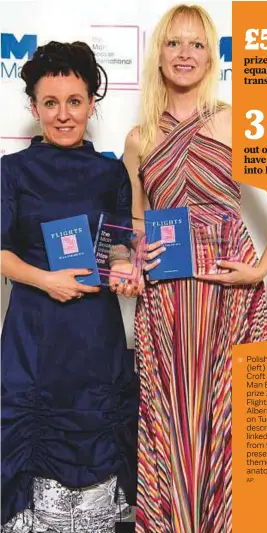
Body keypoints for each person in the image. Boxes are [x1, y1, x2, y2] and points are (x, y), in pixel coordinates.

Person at [123, 4, 267, 533]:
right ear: (158, 55)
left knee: (226, 419)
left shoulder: (237, 121)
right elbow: (133, 225)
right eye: (174, 43)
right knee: (170, 418)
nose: (185, 54)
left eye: (197, 44)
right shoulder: (139, 139)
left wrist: (259, 271)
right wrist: (137, 256)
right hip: (166, 302)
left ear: (212, 57)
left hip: (227, 297)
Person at [1, 41, 138, 533]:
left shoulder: (110, 172)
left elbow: (120, 242)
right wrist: (45, 279)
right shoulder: (10, 171)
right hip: (34, 336)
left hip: (94, 336)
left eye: (74, 102)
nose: (63, 115)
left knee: (96, 434)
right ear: (34, 108)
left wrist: (124, 266)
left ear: (91, 104)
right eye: (51, 103)